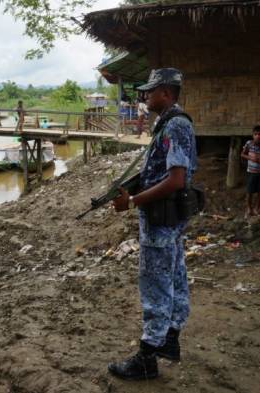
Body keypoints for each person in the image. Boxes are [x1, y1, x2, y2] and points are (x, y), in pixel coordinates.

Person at [109, 68, 197, 381]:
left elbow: (175, 180)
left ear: (166, 93)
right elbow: (165, 173)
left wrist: (132, 202)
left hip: (161, 223)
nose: (145, 96)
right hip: (167, 222)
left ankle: (147, 358)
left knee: (155, 287)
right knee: (173, 278)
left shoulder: (174, 125)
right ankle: (169, 340)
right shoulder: (171, 123)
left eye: (150, 91)